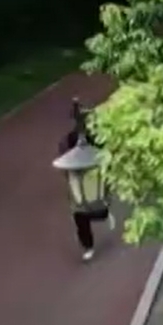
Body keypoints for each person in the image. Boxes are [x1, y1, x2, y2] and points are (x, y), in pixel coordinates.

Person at [60, 100, 112, 262]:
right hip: (77, 177)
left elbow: (104, 152)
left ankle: (103, 211)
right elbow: (64, 155)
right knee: (80, 214)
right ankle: (88, 246)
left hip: (93, 176)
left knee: (99, 209)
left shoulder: (97, 136)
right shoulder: (69, 138)